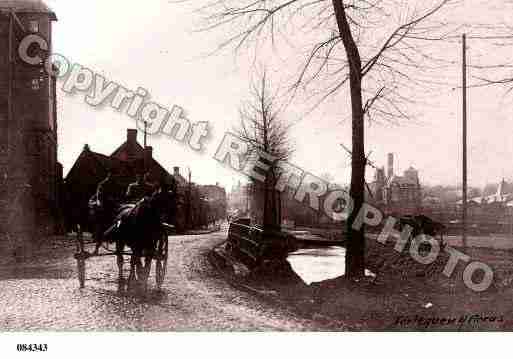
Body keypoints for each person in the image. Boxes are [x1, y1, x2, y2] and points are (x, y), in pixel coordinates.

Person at [94, 171, 120, 254]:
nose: (112, 177)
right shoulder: (102, 184)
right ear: (108, 175)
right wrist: (104, 202)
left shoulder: (115, 185)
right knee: (101, 226)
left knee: (121, 221)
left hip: (115, 208)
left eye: (114, 176)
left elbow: (119, 195)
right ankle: (97, 247)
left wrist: (117, 201)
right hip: (105, 208)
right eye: (111, 175)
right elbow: (99, 196)